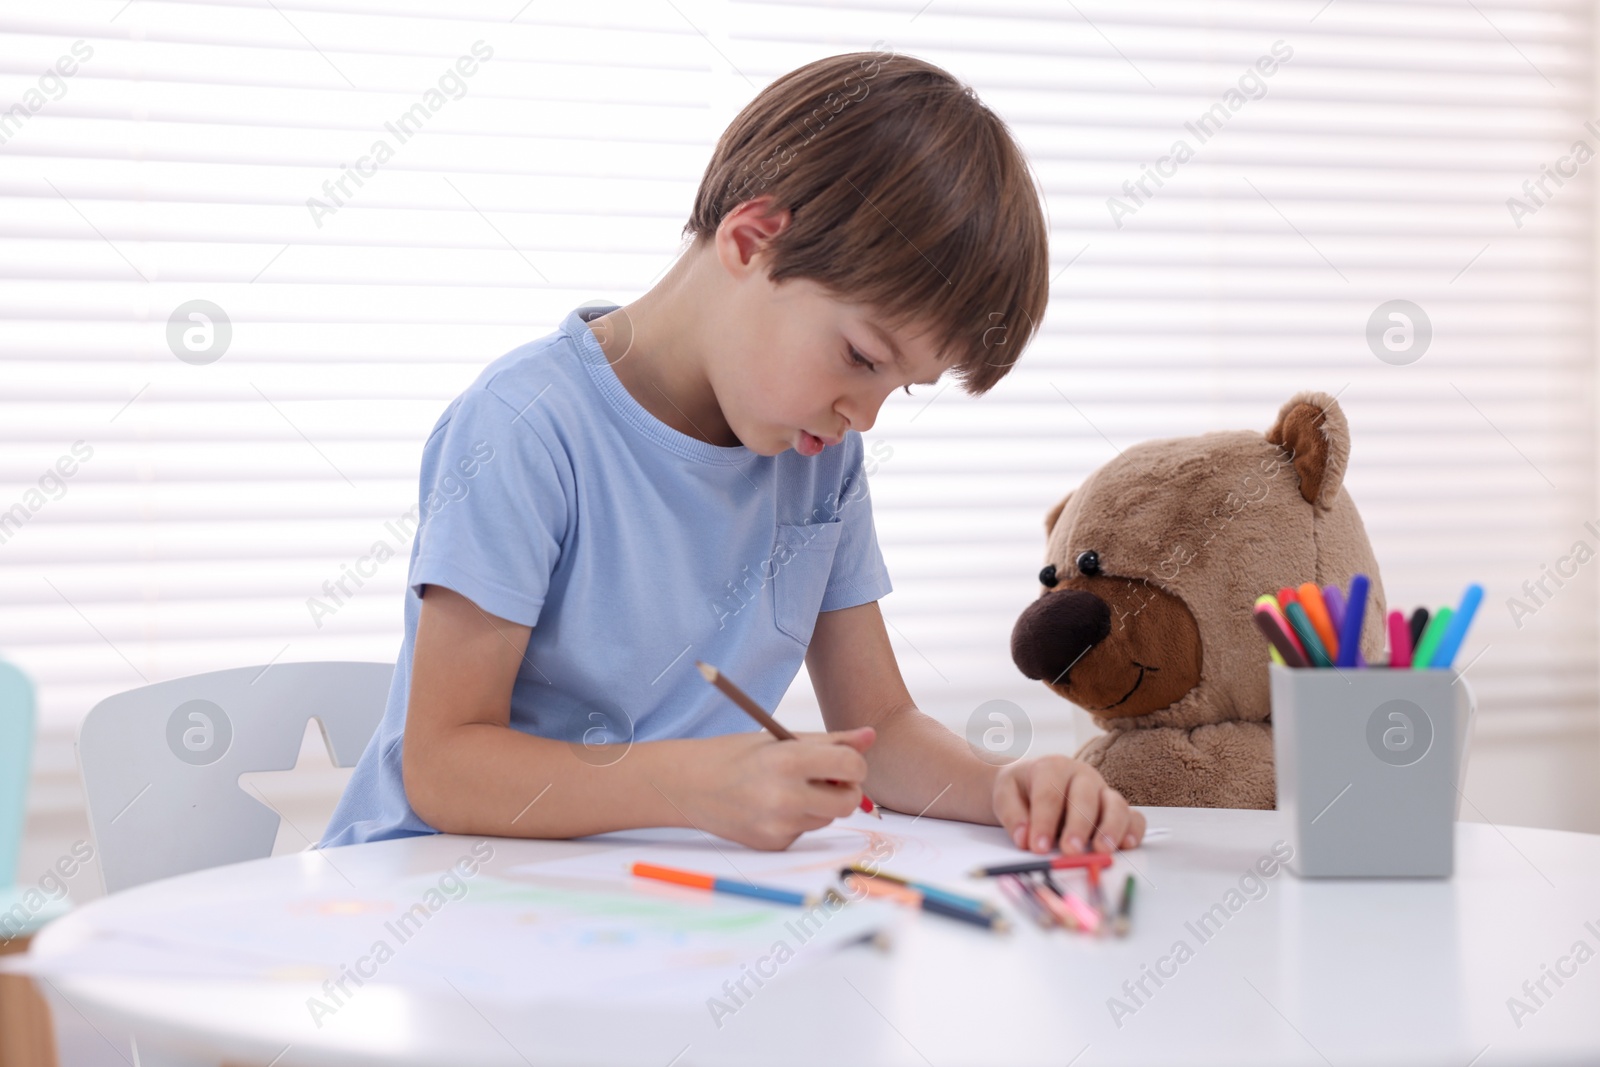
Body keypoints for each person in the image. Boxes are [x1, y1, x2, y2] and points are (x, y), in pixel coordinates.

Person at [320, 48, 1147, 856]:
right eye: (862, 357)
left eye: (900, 387)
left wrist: (1001, 785)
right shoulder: (525, 427)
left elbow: (884, 730)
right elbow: (444, 765)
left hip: (628, 901)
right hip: (431, 887)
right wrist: (687, 785)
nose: (863, 415)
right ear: (753, 241)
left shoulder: (818, 454)